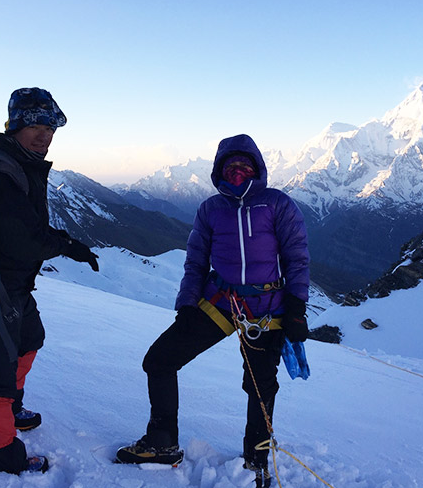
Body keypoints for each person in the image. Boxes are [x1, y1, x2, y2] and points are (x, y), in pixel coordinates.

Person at [116, 134, 310, 488]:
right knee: (160, 359)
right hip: (220, 300)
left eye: (244, 166)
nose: (237, 173)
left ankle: (256, 461)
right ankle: (162, 441)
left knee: (260, 385)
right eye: (229, 167)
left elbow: (296, 258)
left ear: (258, 168)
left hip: (267, 308)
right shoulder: (210, 209)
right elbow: (196, 261)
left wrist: (296, 310)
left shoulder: (277, 205)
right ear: (218, 171)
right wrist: (187, 304)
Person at [0, 87, 99, 475]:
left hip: (10, 286)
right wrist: (68, 246)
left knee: (29, 339)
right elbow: (23, 239)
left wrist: (67, 245)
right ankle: (0, 452)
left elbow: (22, 228)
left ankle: (10, 408)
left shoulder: (18, 163)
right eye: (35, 123)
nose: (44, 133)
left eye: (50, 125)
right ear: (15, 123)